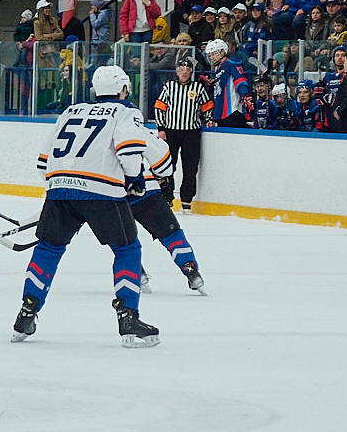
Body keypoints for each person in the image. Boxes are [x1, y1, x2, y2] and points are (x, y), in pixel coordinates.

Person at [15, 65, 157, 347]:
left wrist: (60, 191)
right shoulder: (127, 112)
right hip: (101, 189)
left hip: (59, 188)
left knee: (48, 248)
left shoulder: (70, 111)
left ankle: (27, 313)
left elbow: (43, 163)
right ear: (123, 89)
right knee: (127, 248)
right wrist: (134, 178)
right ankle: (128, 317)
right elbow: (129, 151)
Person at [130, 124, 206, 294]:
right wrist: (161, 176)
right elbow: (163, 157)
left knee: (124, 241)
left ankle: (136, 273)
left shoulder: (91, 127)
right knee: (172, 234)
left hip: (113, 192)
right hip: (146, 188)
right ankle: (191, 271)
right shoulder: (134, 126)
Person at [150, 54, 208, 208]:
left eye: (187, 69)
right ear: (176, 71)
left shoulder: (198, 88)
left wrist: (209, 119)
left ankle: (186, 199)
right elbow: (159, 107)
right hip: (171, 131)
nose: (184, 72)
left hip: (191, 132)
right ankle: (168, 196)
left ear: (191, 72)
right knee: (169, 165)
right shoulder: (169, 87)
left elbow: (207, 106)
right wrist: (161, 128)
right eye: (181, 69)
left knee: (190, 166)